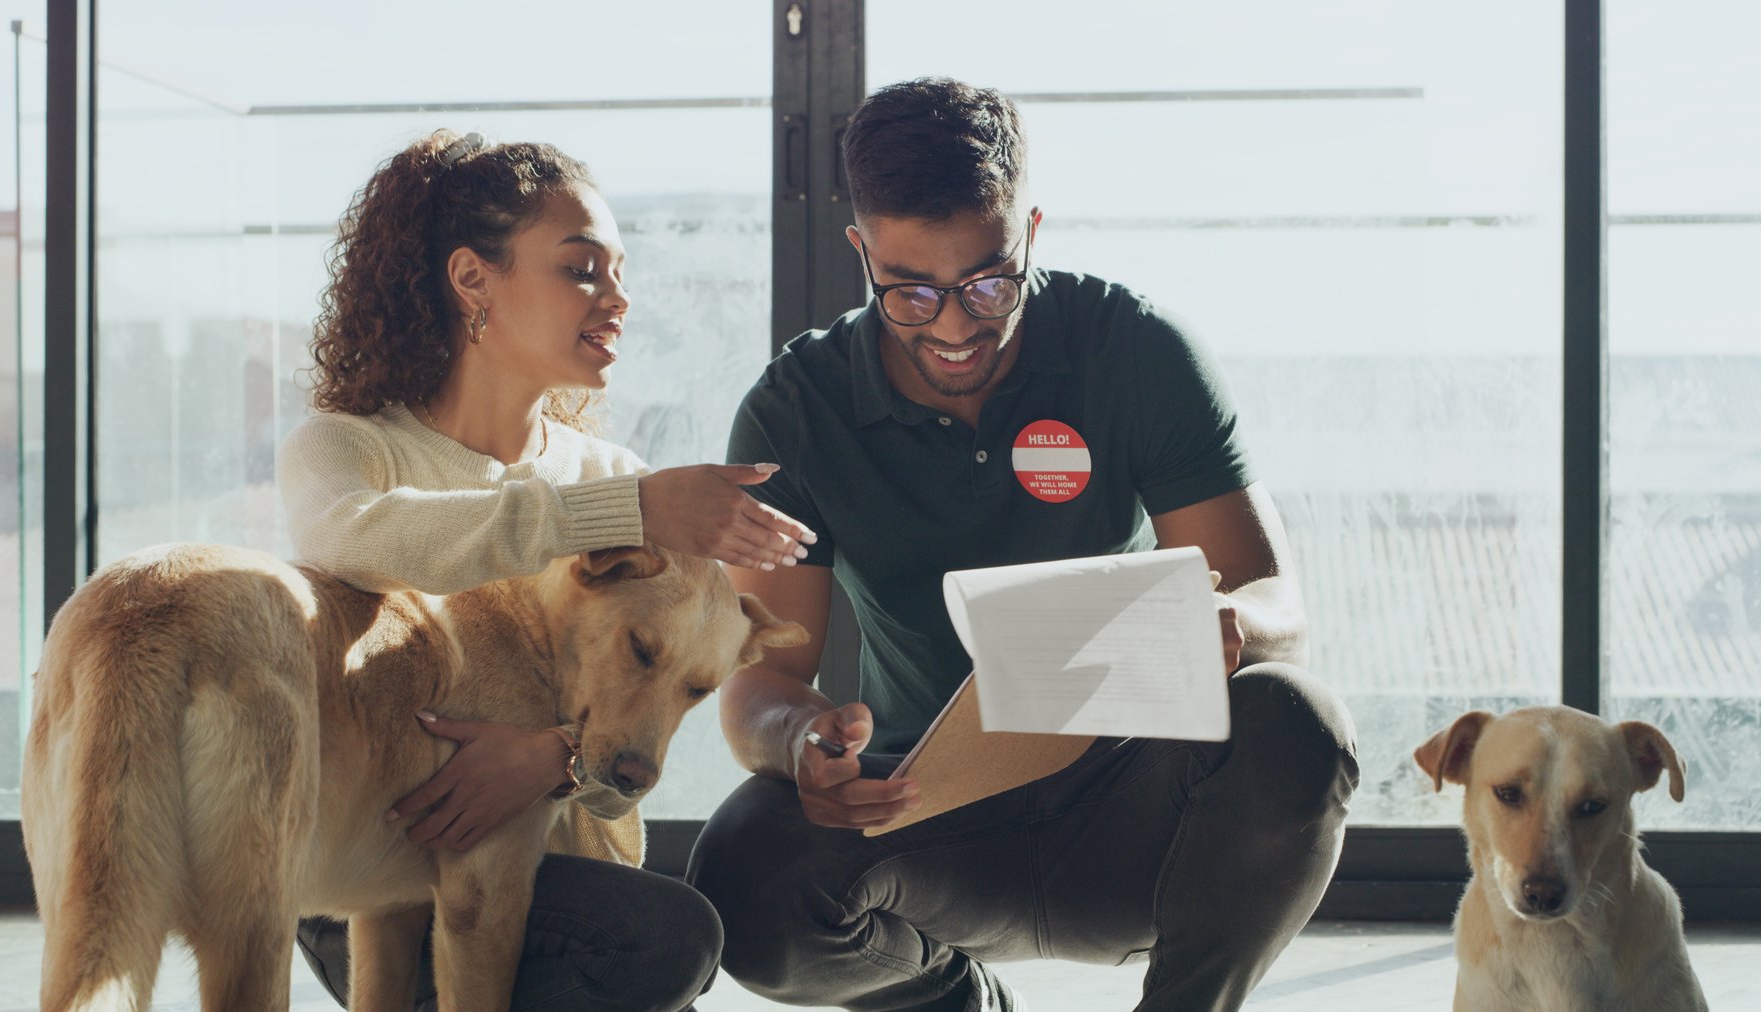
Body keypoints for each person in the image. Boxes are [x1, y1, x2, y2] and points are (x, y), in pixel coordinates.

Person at [686, 79, 1360, 1011]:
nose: (957, 325)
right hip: (926, 817)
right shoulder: (794, 410)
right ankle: (952, 1001)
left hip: (1131, 806)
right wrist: (798, 738)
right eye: (910, 292)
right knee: (742, 868)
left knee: (1296, 715)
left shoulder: (1134, 348)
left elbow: (1279, 608)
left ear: (1031, 229)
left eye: (990, 281)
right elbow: (755, 686)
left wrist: (1227, 623)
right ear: (860, 253)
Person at [275, 129, 816, 1012]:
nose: (618, 299)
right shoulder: (344, 447)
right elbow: (355, 544)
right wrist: (627, 513)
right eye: (582, 270)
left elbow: (615, 799)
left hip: (561, 893)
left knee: (667, 936)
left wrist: (551, 762)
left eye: (620, 272)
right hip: (371, 865)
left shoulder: (610, 475)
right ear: (472, 280)